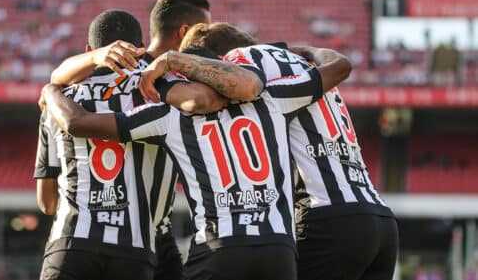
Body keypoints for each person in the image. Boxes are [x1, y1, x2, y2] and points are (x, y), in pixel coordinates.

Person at [39, 31, 352, 280]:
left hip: (218, 247)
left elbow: (79, 123)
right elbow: (340, 68)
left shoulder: (168, 114)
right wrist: (313, 51)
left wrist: (51, 90)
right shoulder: (270, 97)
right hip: (278, 247)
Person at [179, 22, 398, 280]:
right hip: (380, 219)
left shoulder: (239, 63)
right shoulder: (299, 62)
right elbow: (340, 66)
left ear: (216, 60)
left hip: (326, 216)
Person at [48, 0, 214, 280]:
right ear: (185, 31)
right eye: (203, 32)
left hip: (147, 235)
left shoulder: (165, 77)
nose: (206, 41)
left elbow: (56, 79)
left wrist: (51, 90)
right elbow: (58, 79)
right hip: (139, 239)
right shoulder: (153, 80)